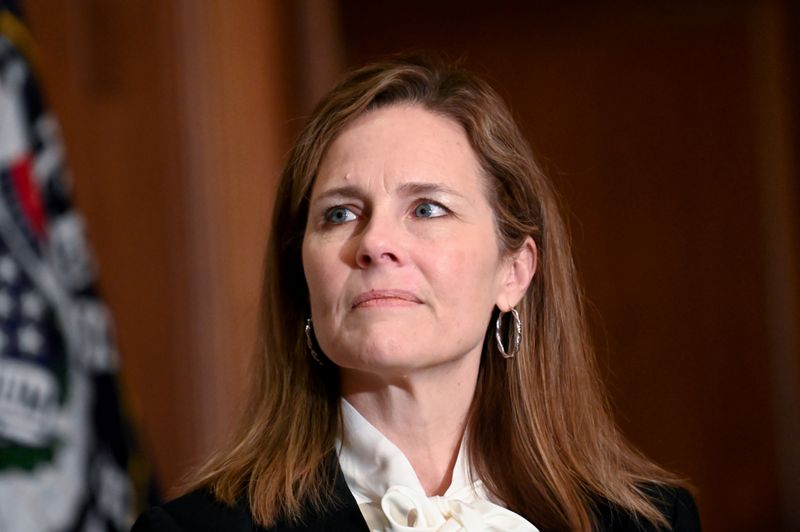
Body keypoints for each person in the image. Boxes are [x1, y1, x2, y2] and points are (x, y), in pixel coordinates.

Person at [132, 56, 701, 531]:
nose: (375, 242)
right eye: (340, 213)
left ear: (514, 270)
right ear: (302, 276)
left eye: (427, 208)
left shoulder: (652, 522)